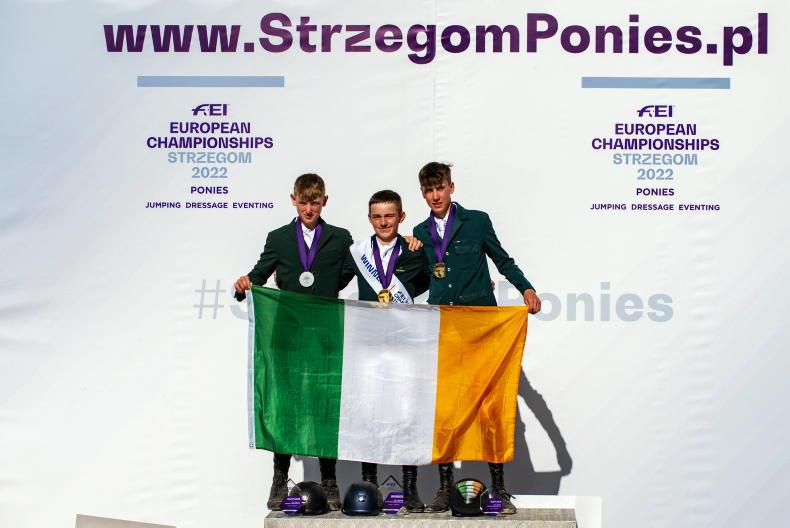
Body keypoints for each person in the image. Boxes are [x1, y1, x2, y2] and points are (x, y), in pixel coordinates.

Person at [412, 162, 541, 515]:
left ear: (451, 187)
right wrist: (390, 290)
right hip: (444, 328)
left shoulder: (478, 221)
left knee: (490, 407)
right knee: (445, 408)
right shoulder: (419, 232)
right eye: (428, 190)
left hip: (482, 329)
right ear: (422, 193)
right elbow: (422, 280)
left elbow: (503, 260)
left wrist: (526, 288)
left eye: (440, 188)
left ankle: (499, 488)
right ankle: (443, 488)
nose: (435, 196)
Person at [234, 173, 355, 511]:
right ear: (293, 200)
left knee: (324, 404)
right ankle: (279, 477)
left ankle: (329, 479)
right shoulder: (279, 238)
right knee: (285, 404)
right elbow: (259, 274)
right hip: (287, 335)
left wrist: (324, 288)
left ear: (324, 201)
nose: (308, 209)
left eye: (314, 202)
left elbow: (352, 271)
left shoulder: (341, 237)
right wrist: (244, 284)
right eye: (303, 202)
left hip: (325, 334)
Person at [347, 190, 430, 512]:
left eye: (389, 216)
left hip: (404, 346)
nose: (383, 222)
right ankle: (369, 486)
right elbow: (330, 280)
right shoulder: (357, 253)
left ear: (401, 217)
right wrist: (285, 284)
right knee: (369, 414)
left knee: (408, 415)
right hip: (368, 347)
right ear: (369, 219)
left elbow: (435, 281)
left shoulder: (414, 251)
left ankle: (410, 489)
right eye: (377, 216)